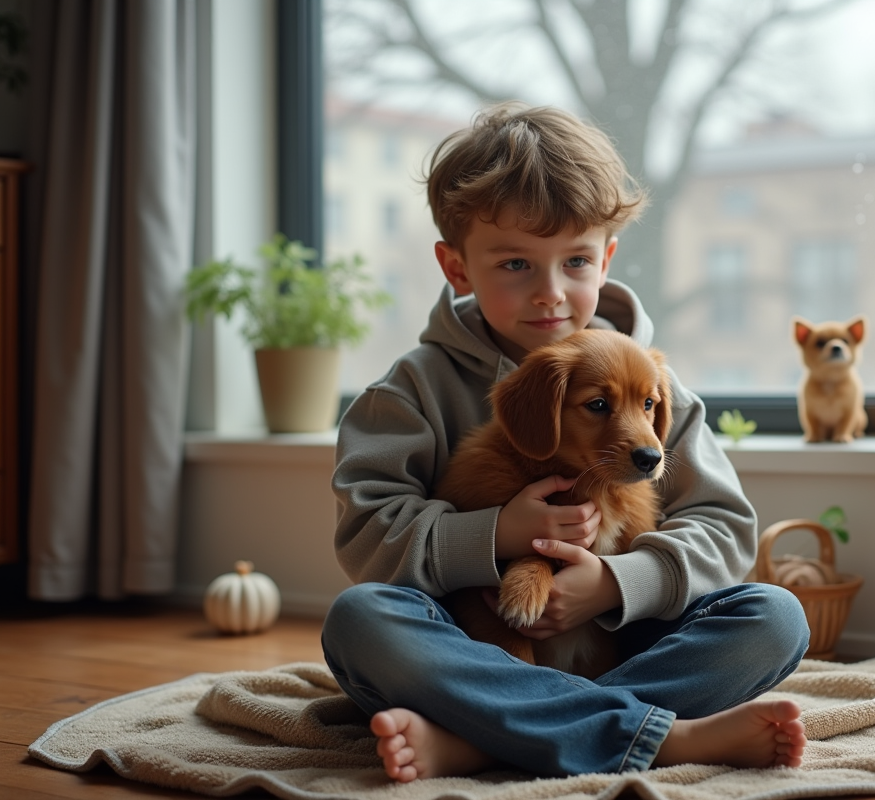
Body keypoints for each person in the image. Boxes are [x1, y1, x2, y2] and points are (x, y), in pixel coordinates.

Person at [320, 101, 811, 784]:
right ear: (456, 267)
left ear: (606, 260)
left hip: (619, 638)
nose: (551, 294)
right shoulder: (406, 393)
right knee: (361, 621)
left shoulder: (656, 387)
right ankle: (656, 737)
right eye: (516, 263)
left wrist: (614, 583)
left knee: (775, 616)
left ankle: (488, 741)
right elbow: (369, 538)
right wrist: (495, 536)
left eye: (576, 261)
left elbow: (725, 532)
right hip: (477, 639)